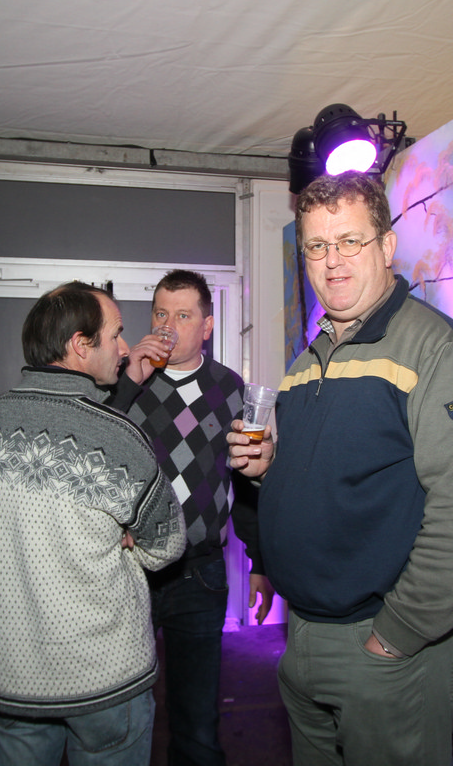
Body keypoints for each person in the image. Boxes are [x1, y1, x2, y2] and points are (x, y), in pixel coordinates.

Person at [227, 173, 453, 766]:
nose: (332, 260)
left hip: (384, 648)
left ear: (386, 247)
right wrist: (267, 471)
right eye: (316, 246)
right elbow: (333, 480)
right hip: (303, 636)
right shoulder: (307, 361)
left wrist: (397, 635)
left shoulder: (439, 353)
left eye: (349, 241)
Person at [0, 281, 186, 766]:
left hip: (13, 678)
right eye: (116, 334)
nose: (125, 348)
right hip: (104, 680)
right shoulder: (116, 436)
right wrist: (126, 539)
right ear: (80, 345)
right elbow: (168, 543)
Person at [110, 269, 273, 766]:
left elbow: (245, 482)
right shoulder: (124, 382)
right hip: (128, 571)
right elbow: (95, 448)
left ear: (207, 325)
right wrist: (127, 383)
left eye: (183, 316)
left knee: (197, 721)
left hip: (200, 572)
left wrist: (260, 561)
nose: (168, 326)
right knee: (119, 714)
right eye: (161, 314)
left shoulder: (230, 388)